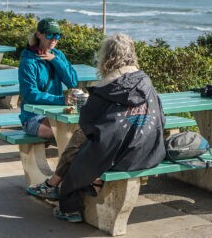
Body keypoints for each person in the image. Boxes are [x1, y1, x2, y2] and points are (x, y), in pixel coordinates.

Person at [26, 33, 166, 223]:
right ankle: (55, 184)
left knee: (79, 142)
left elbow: (86, 122)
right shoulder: (146, 82)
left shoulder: (107, 89)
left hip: (122, 157)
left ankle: (66, 203)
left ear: (107, 57)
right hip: (150, 150)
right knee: (87, 141)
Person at [18, 18, 78, 140]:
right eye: (50, 35)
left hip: (57, 113)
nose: (54, 39)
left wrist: (55, 60)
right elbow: (29, 94)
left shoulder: (58, 55)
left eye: (57, 36)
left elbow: (72, 82)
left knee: (79, 131)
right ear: (39, 35)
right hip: (33, 116)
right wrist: (61, 100)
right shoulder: (28, 62)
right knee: (64, 135)